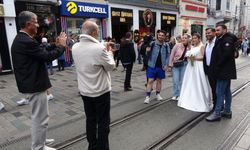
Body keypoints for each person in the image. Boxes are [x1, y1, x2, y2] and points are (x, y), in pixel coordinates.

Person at [11, 11, 66, 150]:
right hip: (34, 85)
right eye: (35, 22)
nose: (38, 24)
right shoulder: (25, 41)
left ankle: (41, 140)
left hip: (31, 83)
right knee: (40, 118)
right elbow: (46, 57)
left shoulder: (24, 38)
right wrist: (62, 46)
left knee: (40, 117)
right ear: (29, 24)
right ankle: (38, 147)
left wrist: (55, 44)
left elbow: (42, 49)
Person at [72, 19, 116, 150]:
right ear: (95, 32)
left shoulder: (75, 47)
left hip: (85, 91)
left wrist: (103, 45)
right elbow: (110, 67)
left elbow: (90, 51)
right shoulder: (99, 49)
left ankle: (92, 146)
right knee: (103, 122)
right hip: (101, 92)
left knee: (90, 120)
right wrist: (109, 52)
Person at [206, 24, 237, 122]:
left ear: (225, 30)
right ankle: (227, 111)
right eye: (216, 30)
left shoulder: (227, 39)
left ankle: (217, 113)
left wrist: (217, 65)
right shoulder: (223, 38)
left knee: (219, 92)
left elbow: (225, 55)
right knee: (227, 91)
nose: (216, 32)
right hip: (225, 71)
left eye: (218, 30)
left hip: (223, 71)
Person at [177, 33, 213, 112]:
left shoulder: (202, 46)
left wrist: (195, 58)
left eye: (195, 38)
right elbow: (189, 56)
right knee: (190, 82)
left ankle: (200, 99)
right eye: (193, 38)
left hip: (198, 67)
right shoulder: (193, 47)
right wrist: (190, 57)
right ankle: (188, 98)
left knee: (199, 82)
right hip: (191, 66)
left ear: (199, 39)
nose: (194, 40)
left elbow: (204, 57)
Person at [144, 30, 169, 104]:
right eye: (159, 35)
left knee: (159, 81)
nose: (160, 36)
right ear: (157, 35)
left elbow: (168, 55)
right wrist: (147, 51)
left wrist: (166, 64)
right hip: (152, 65)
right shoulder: (153, 43)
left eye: (162, 35)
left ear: (164, 36)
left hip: (161, 66)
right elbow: (146, 52)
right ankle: (147, 96)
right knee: (150, 81)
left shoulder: (166, 45)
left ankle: (158, 94)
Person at [168, 34, 191, 100]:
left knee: (182, 81)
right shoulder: (177, 45)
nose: (183, 39)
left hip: (184, 65)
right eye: (183, 38)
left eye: (185, 38)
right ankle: (175, 94)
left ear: (188, 39)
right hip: (176, 64)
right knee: (175, 80)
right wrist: (170, 65)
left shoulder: (190, 47)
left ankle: (180, 94)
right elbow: (172, 55)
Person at [203, 28, 217, 110]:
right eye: (206, 33)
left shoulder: (218, 42)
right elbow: (206, 57)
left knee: (216, 89)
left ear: (214, 33)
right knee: (213, 88)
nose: (207, 34)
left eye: (209, 33)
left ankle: (217, 106)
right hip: (209, 69)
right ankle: (216, 104)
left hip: (215, 69)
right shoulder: (207, 43)